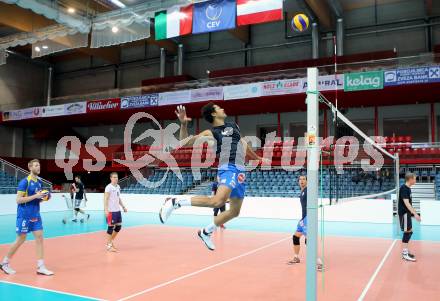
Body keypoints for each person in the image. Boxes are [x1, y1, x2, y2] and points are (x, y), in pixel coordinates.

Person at [159, 103, 265, 251]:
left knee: (234, 211)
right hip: (228, 167)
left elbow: (243, 143)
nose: (222, 108)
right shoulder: (212, 133)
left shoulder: (233, 125)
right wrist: (183, 125)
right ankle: (175, 201)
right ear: (214, 114)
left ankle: (206, 232)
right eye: (218, 107)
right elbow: (185, 142)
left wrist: (257, 158)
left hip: (240, 171)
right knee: (218, 201)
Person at [0, 159, 54, 276]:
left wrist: (44, 198)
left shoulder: (39, 182)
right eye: (36, 165)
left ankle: (40, 266)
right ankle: (4, 263)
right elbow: (18, 200)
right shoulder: (25, 182)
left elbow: (37, 199)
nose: (38, 167)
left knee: (39, 238)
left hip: (35, 214)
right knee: (21, 239)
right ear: (30, 167)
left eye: (39, 165)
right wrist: (36, 196)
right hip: (24, 215)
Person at [287, 175, 323, 271]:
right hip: (304, 218)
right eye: (300, 179)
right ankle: (296, 257)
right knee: (295, 237)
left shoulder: (308, 190)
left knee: (309, 241)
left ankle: (319, 263)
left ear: (307, 181)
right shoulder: (302, 191)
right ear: (298, 181)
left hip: (309, 218)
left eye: (304, 179)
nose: (302, 181)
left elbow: (315, 188)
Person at [398, 172, 421, 262]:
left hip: (406, 213)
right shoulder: (404, 188)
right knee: (407, 232)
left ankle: (406, 252)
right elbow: (407, 203)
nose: (415, 180)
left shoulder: (408, 188)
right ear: (410, 179)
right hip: (404, 213)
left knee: (409, 231)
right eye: (414, 179)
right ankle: (405, 254)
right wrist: (415, 214)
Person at [104, 172, 127, 252]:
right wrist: (106, 210)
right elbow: (105, 199)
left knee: (118, 227)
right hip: (111, 211)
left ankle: (110, 242)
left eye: (116, 177)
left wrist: (123, 206)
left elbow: (118, 198)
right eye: (114, 177)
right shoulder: (108, 187)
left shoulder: (118, 187)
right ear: (111, 178)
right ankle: (109, 246)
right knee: (110, 228)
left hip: (117, 211)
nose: (116, 179)